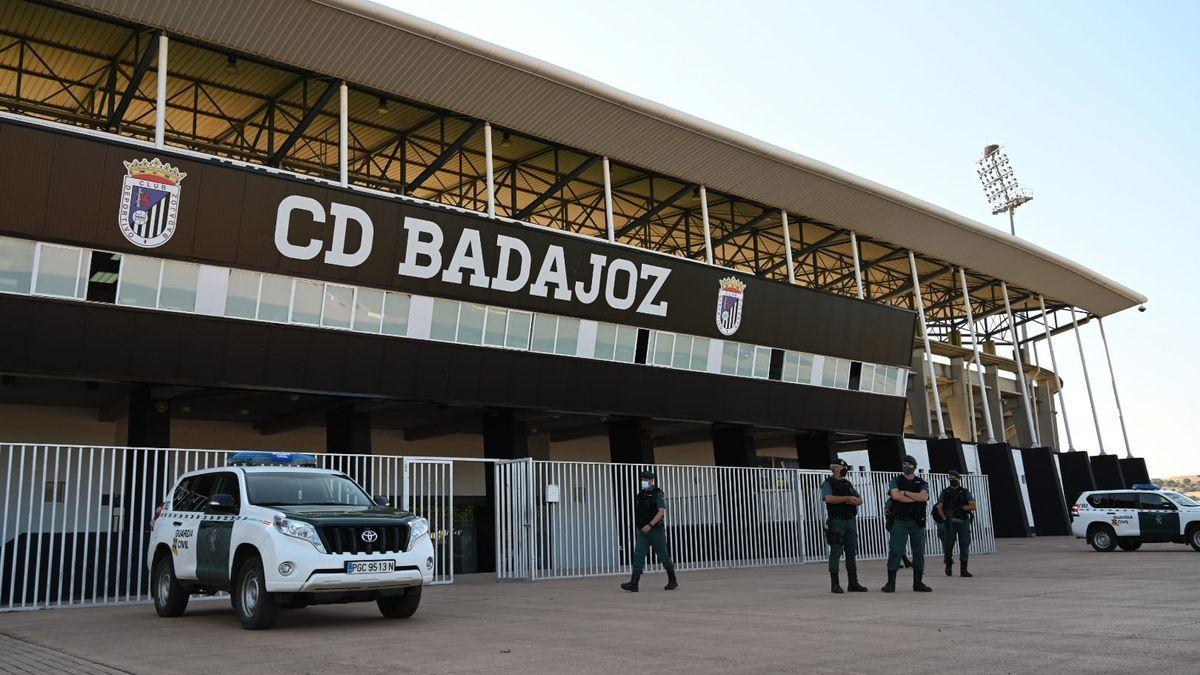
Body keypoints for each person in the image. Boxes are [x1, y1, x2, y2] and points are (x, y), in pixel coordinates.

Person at [620, 469, 678, 592]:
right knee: (638, 556)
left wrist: (650, 524)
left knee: (663, 556)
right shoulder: (640, 495)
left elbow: (661, 511)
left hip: (655, 530)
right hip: (642, 531)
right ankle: (634, 583)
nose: (643, 482)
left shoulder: (658, 493)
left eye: (645, 480)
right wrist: (640, 528)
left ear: (652, 481)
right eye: (642, 480)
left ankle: (672, 580)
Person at [882, 455, 932, 593]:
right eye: (904, 463)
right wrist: (915, 499)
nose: (906, 466)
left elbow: (924, 497)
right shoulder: (896, 480)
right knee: (896, 550)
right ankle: (890, 583)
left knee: (919, 552)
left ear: (914, 467)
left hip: (917, 521)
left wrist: (905, 493)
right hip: (900, 520)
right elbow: (895, 496)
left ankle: (918, 583)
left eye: (909, 464)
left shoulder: (921, 482)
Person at [821, 459, 867, 593]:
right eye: (843, 467)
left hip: (850, 521)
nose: (845, 469)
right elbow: (828, 498)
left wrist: (852, 500)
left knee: (851, 552)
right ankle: (835, 584)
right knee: (836, 551)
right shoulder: (828, 483)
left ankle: (853, 583)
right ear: (836, 468)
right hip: (837, 521)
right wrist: (847, 499)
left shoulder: (848, 484)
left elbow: (859, 500)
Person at [936, 469, 977, 577]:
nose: (952, 480)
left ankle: (964, 570)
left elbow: (973, 506)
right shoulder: (945, 492)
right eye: (950, 479)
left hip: (963, 521)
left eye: (953, 478)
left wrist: (962, 508)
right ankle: (948, 565)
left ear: (958, 479)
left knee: (964, 544)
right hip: (950, 522)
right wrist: (944, 518)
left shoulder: (965, 492)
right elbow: (939, 507)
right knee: (948, 545)